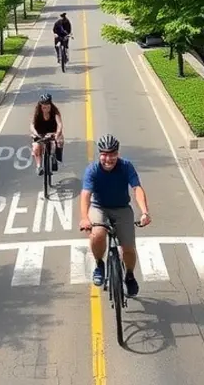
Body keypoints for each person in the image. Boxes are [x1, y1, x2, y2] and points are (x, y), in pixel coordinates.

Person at [79, 134, 151, 297]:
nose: (108, 158)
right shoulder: (93, 170)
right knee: (97, 235)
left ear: (117, 153)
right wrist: (84, 217)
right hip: (99, 207)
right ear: (99, 154)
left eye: (112, 154)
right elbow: (85, 194)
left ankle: (130, 276)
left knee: (128, 248)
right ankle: (99, 264)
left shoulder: (126, 166)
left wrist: (145, 212)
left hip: (122, 208)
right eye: (104, 154)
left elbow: (137, 188)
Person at [30, 93, 64, 175]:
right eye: (44, 107)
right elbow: (32, 125)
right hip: (40, 132)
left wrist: (57, 134)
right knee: (36, 148)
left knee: (59, 142)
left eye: (48, 106)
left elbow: (59, 124)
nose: (46, 109)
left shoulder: (54, 111)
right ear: (41, 105)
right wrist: (35, 133)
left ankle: (55, 157)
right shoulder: (37, 112)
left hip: (52, 131)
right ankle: (39, 167)